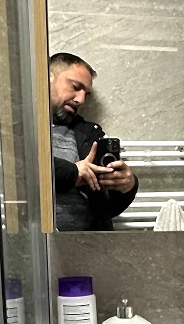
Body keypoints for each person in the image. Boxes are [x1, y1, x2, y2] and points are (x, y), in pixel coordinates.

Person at [49, 52, 138, 230]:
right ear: (47, 79)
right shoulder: (19, 131)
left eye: (86, 94)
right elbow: (24, 167)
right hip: (33, 242)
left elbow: (107, 209)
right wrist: (73, 172)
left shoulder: (90, 134)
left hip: (88, 243)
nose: (81, 99)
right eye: (75, 87)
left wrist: (127, 187)